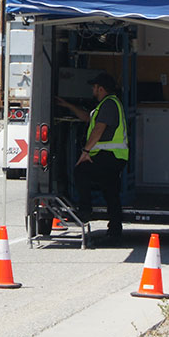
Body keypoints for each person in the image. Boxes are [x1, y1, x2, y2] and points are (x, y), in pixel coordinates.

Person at [55, 71, 129, 245]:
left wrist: (85, 151)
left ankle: (86, 210)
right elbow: (87, 117)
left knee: (81, 171)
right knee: (110, 191)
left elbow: (98, 129)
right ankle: (115, 231)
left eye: (94, 87)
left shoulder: (109, 104)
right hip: (113, 156)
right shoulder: (105, 105)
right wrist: (68, 105)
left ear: (101, 89)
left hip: (111, 155)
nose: (93, 90)